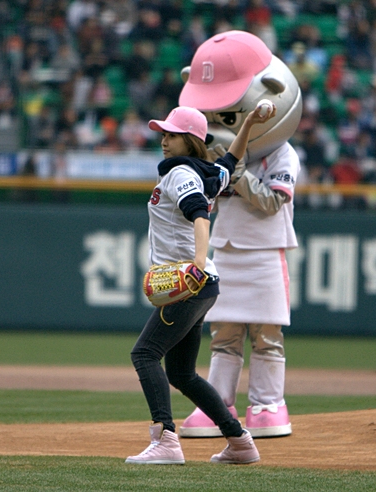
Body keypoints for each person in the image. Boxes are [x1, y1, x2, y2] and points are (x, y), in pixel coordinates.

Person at [125, 103, 274, 466]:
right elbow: (230, 163)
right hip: (203, 286)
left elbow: (199, 214)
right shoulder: (206, 173)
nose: (165, 140)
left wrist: (197, 263)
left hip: (190, 283)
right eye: (164, 134)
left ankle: (165, 438)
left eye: (173, 135)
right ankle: (240, 442)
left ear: (190, 140)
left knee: (145, 354)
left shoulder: (180, 173)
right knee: (181, 373)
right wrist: (249, 124)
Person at [177, 30, 303, 439]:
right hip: (226, 249)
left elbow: (271, 202)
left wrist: (237, 173)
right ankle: (218, 405)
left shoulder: (282, 153)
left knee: (266, 334)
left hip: (266, 251)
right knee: (223, 333)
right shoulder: (222, 157)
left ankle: (268, 404)